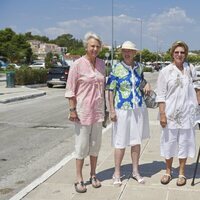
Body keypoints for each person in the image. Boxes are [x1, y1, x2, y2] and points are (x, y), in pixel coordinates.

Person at [65, 32, 105, 193]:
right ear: (86, 47)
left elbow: (104, 87)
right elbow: (70, 90)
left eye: (97, 46)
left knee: (95, 146)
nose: (94, 48)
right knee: (81, 147)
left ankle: (93, 174)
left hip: (98, 112)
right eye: (92, 46)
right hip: (82, 112)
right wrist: (72, 110)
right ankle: (79, 178)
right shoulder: (77, 65)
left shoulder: (102, 64)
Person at [106, 41, 151, 186]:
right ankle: (117, 173)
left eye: (130, 51)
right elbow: (110, 90)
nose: (127, 53)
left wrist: (147, 84)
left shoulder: (139, 67)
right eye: (124, 51)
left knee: (136, 141)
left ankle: (135, 171)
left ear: (134, 53)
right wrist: (111, 110)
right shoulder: (116, 68)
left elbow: (141, 82)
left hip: (138, 108)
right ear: (122, 53)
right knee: (120, 142)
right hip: (122, 109)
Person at [156, 41, 200, 186]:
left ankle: (182, 173)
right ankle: (168, 172)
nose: (179, 55)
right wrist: (162, 114)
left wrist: (198, 104)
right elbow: (161, 95)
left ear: (185, 54)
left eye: (182, 52)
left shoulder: (190, 68)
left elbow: (196, 86)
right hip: (170, 115)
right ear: (172, 54)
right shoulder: (165, 71)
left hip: (188, 115)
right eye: (177, 52)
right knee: (169, 143)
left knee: (184, 143)